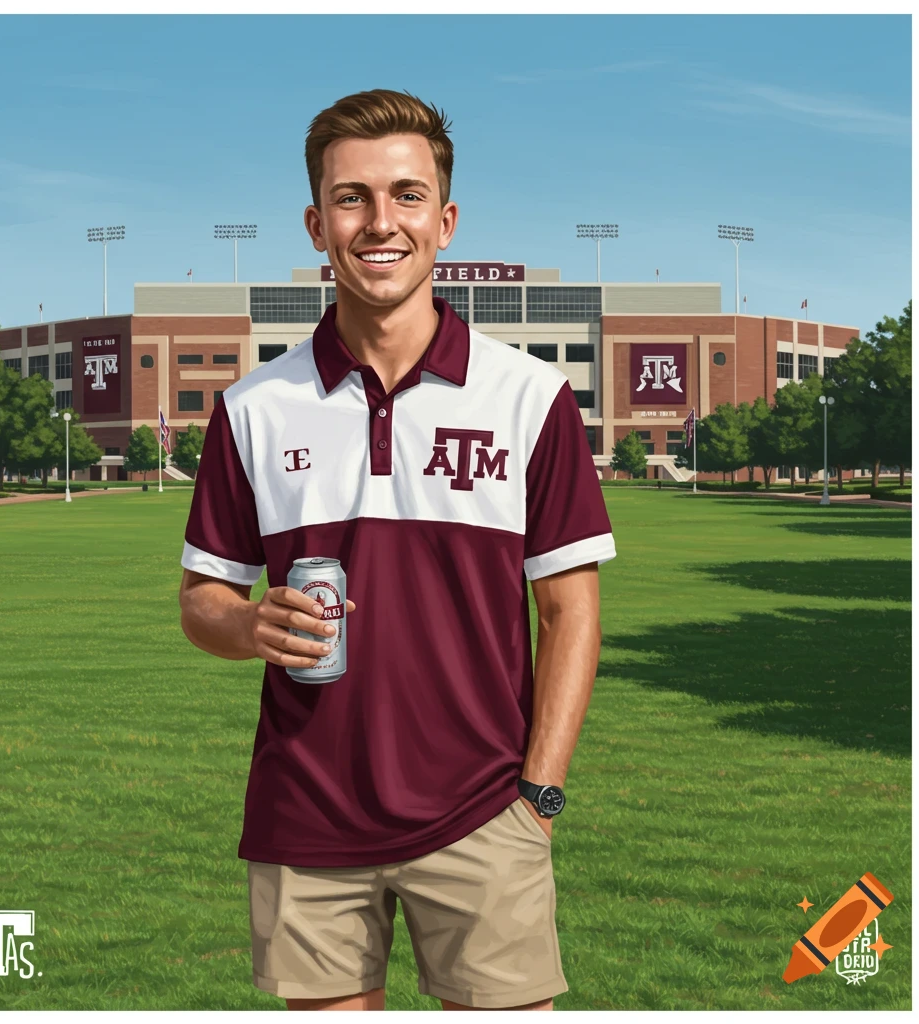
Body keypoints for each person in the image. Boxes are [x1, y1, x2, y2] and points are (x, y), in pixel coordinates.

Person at [178, 88, 616, 1011]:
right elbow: (201, 601)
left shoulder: (529, 398)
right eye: (352, 198)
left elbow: (570, 610)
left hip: (485, 814)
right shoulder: (252, 408)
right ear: (315, 223)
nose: (381, 223)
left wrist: (539, 797)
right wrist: (250, 623)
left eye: (407, 196)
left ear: (445, 220)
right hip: (305, 819)